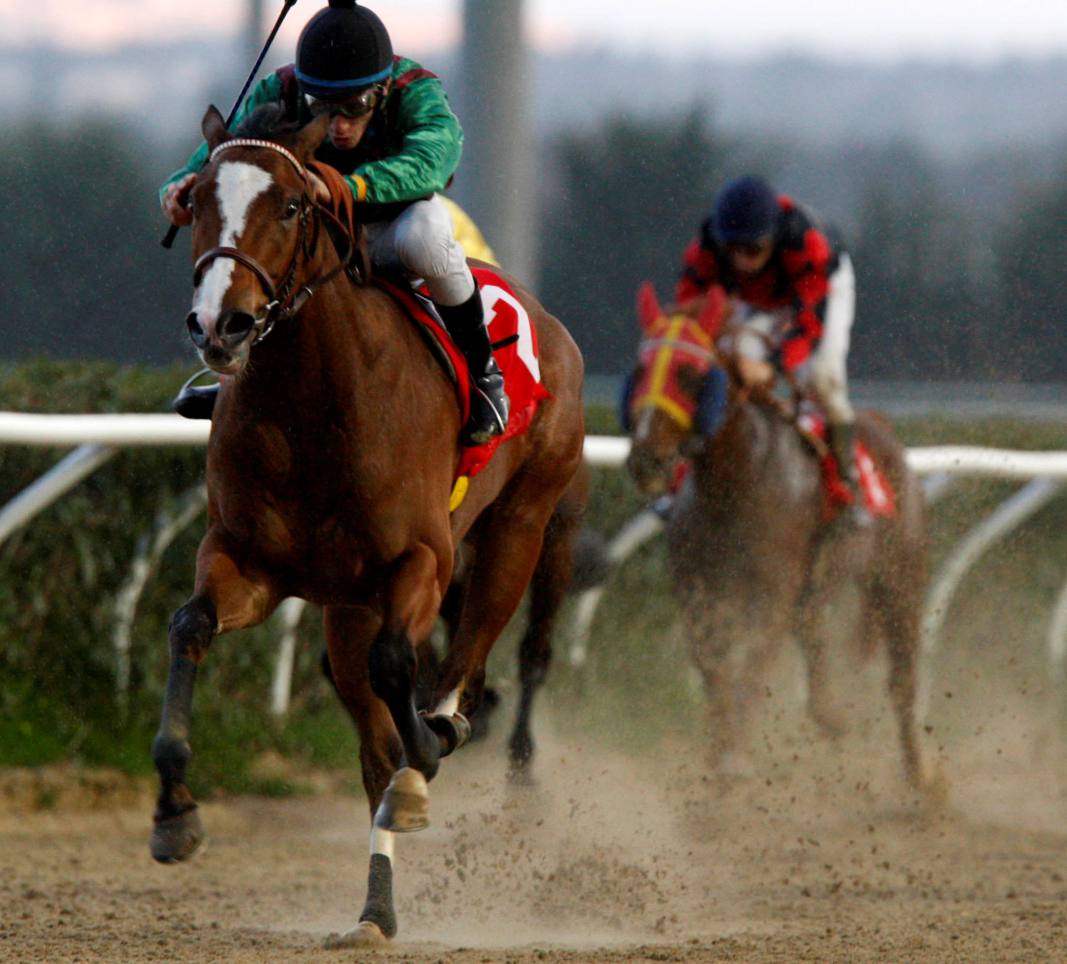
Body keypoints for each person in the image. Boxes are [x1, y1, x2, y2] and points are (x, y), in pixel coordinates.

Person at [161, 0, 508, 445]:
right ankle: (236, 379)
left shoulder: (417, 90)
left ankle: (484, 374)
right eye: (322, 107)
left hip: (393, 226)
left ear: (382, 89)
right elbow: (217, 161)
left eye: (356, 105)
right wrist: (178, 190)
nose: (339, 126)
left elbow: (432, 162)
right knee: (259, 252)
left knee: (427, 236)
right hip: (318, 233)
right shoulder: (280, 87)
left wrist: (346, 188)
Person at [676, 174, 868, 523]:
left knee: (822, 378)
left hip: (822, 288)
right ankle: (686, 476)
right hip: (760, 298)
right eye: (731, 250)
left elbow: (809, 324)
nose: (740, 261)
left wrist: (774, 366)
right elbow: (690, 311)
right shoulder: (706, 248)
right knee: (727, 366)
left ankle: (847, 478)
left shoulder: (806, 243)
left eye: (753, 250)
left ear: (773, 238)